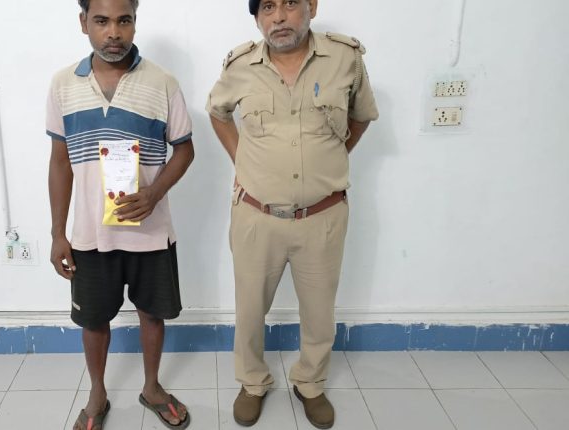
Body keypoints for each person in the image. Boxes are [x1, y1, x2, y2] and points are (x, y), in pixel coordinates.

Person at [206, 0, 379, 427]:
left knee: (319, 312)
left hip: (323, 217)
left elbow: (361, 117)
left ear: (311, 7)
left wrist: (331, 158)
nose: (279, 17)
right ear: (257, 17)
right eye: (267, 7)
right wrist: (242, 160)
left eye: (289, 4)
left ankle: (311, 383)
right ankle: (252, 382)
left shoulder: (345, 59)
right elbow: (218, 112)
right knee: (250, 310)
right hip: (256, 217)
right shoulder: (240, 65)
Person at [46, 0, 194, 428]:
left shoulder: (162, 83)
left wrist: (154, 193)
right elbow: (60, 161)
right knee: (93, 320)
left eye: (124, 20)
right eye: (102, 21)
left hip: (151, 233)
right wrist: (58, 233)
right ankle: (97, 394)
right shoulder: (63, 85)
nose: (114, 32)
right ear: (84, 23)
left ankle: (152, 387)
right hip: (90, 236)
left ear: (134, 22)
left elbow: (185, 150)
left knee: (152, 313)